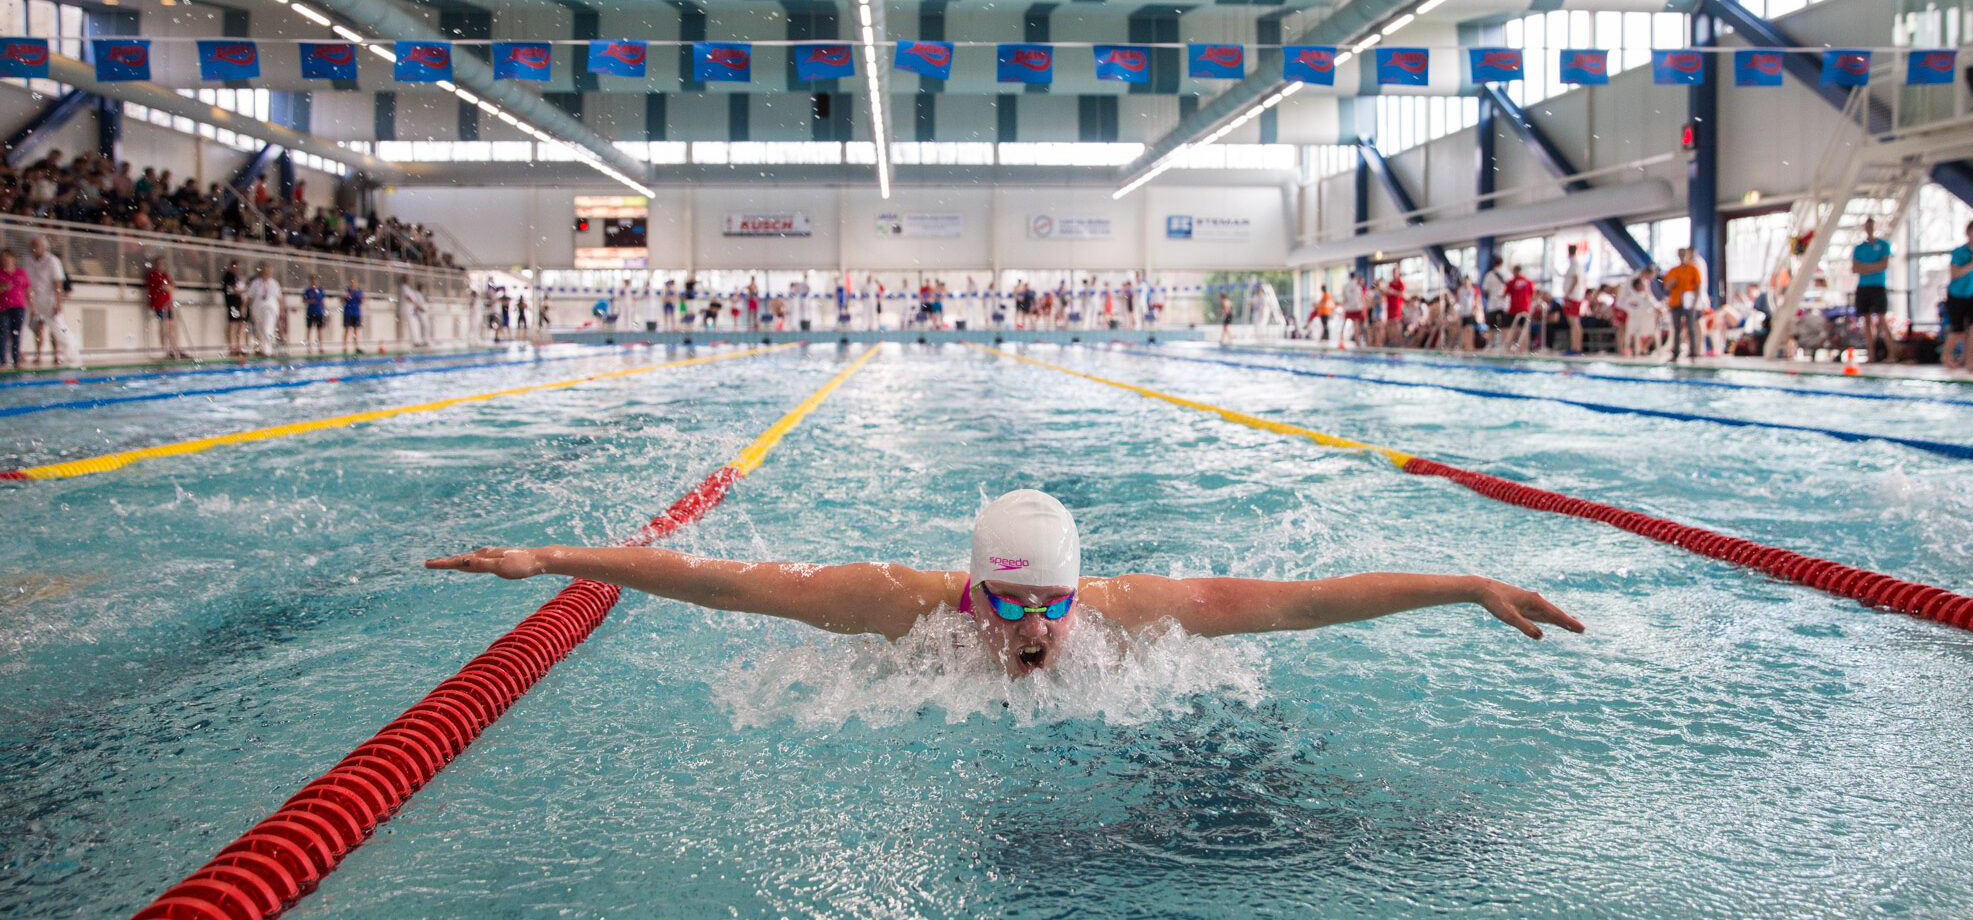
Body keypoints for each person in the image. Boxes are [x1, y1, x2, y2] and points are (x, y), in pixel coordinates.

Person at [428, 489, 1583, 680]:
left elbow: (1305, 599)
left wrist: (1467, 583)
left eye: (1049, 605)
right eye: (1006, 604)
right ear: (969, 591)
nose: (1029, 631)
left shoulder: (1134, 615)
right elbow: (727, 583)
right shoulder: (900, 606)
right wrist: (552, 560)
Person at [1943, 220, 1973, 372]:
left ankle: (1970, 360)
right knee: (1958, 330)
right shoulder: (1959, 252)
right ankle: (1946, 356)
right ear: (1968, 233)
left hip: (1972, 294)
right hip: (1956, 294)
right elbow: (1955, 274)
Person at [1848, 217, 1893, 363]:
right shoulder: (1859, 248)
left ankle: (1892, 354)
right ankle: (1871, 355)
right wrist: (1875, 266)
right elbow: (1855, 268)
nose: (1870, 229)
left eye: (1871, 226)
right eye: (1867, 226)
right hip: (1863, 287)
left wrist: (1864, 267)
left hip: (1878, 286)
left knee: (1882, 319)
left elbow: (1884, 265)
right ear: (1865, 228)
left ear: (1875, 227)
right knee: (1866, 320)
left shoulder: (1884, 245)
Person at [23, 235, 66, 367]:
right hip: (36, 299)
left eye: (35, 245)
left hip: (50, 299)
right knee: (38, 328)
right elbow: (27, 283)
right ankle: (38, 354)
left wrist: (58, 303)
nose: (33, 248)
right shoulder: (28, 260)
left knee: (54, 328)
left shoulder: (52, 261)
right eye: (32, 245)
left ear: (43, 247)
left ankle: (56, 354)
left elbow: (58, 283)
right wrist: (30, 300)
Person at [144, 254, 187, 360]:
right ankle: (169, 349)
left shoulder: (164, 275)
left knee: (170, 327)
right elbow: (166, 287)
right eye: (159, 263)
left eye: (163, 263)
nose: (161, 265)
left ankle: (173, 348)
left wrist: (169, 287)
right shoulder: (153, 275)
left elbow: (173, 287)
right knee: (165, 327)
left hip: (168, 305)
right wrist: (169, 287)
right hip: (160, 305)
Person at [1663, 247, 1703, 362]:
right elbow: (1666, 286)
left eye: (1684, 254)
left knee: (1691, 327)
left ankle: (1693, 351)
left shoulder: (1693, 269)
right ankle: (1676, 351)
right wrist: (1671, 283)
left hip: (1689, 303)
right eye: (1680, 254)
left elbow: (1698, 285)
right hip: (1676, 302)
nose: (1682, 256)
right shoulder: (1673, 270)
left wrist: (1695, 302)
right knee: (1676, 328)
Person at [244, 264, 282, 357]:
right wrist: (243, 307)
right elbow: (249, 296)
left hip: (270, 308)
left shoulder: (274, 283)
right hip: (258, 308)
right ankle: (263, 348)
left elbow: (279, 298)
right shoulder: (256, 283)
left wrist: (281, 311)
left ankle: (268, 350)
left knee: (267, 328)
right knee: (260, 329)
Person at [0, 249, 27, 369]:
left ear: (13, 259)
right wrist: (2, 288)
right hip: (3, 308)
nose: (5, 260)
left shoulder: (21, 273)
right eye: (3, 258)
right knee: (3, 334)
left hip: (19, 307)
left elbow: (27, 290)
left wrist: (33, 306)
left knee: (16, 334)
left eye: (7, 258)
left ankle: (16, 361)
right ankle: (3, 361)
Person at [1559, 245, 1586, 355]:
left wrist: (1568, 294)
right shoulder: (1577, 263)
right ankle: (1577, 347)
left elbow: (1575, 279)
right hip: (1576, 296)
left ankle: (1576, 347)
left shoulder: (1575, 263)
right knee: (1575, 322)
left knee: (1573, 322)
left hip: (1573, 297)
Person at [1503, 264, 1535, 354]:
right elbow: (1533, 295)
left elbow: (1504, 294)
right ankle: (1523, 350)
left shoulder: (1512, 282)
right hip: (1525, 309)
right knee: (1524, 330)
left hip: (1513, 309)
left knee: (1511, 330)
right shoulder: (1528, 282)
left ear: (1514, 272)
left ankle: (1508, 350)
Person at [1481, 257, 1510, 351]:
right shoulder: (1508, 274)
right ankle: (1504, 346)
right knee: (1505, 326)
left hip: (1492, 304)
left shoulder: (1489, 275)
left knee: (1491, 327)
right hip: (1505, 304)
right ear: (1502, 263)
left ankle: (1488, 345)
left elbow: (1485, 290)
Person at [221, 260, 248, 358]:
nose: (238, 269)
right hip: (232, 303)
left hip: (237, 303)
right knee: (232, 324)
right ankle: (231, 346)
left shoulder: (235, 277)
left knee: (240, 324)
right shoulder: (229, 276)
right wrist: (247, 290)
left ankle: (237, 346)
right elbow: (235, 291)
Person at [1339, 272, 1366, 349]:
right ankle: (1357, 342)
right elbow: (1361, 298)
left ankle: (1341, 340)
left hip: (1349, 308)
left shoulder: (1346, 286)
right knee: (1356, 324)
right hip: (1357, 307)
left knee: (1343, 324)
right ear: (1355, 277)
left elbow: (1344, 299)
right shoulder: (1358, 286)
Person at [401, 278, 431, 347]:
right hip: (413, 311)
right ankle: (416, 341)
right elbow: (410, 299)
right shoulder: (406, 288)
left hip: (414, 311)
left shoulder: (415, 292)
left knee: (419, 326)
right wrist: (419, 307)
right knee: (415, 325)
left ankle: (420, 340)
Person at [302, 277, 328, 354]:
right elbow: (304, 301)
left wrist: (325, 311)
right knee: (309, 330)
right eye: (313, 281)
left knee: (319, 330)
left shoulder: (320, 291)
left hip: (319, 313)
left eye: (315, 281)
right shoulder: (307, 291)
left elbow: (323, 302)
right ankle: (309, 347)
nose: (314, 282)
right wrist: (310, 301)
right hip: (310, 312)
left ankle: (320, 347)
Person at [341, 277, 365, 354]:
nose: (352, 283)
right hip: (348, 312)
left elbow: (362, 301)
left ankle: (356, 347)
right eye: (351, 282)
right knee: (347, 330)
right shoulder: (346, 290)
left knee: (356, 331)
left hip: (356, 313)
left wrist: (360, 298)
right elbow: (341, 300)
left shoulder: (359, 291)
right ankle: (345, 347)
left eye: (354, 282)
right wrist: (346, 296)